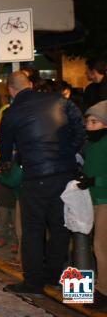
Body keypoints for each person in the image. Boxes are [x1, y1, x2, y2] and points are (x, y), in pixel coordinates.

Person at [0, 71, 85, 294]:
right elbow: (80, 128)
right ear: (30, 84)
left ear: (10, 90)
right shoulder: (59, 100)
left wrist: (9, 162)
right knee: (60, 227)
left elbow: (5, 150)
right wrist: (68, 152)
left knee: (33, 231)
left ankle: (33, 282)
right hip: (65, 175)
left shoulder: (11, 113)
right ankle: (54, 275)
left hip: (35, 178)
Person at [80, 101, 107, 310]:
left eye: (94, 122)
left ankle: (104, 293)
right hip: (94, 200)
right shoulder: (91, 143)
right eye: (87, 121)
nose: (89, 125)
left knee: (101, 247)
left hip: (105, 200)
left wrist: (94, 180)